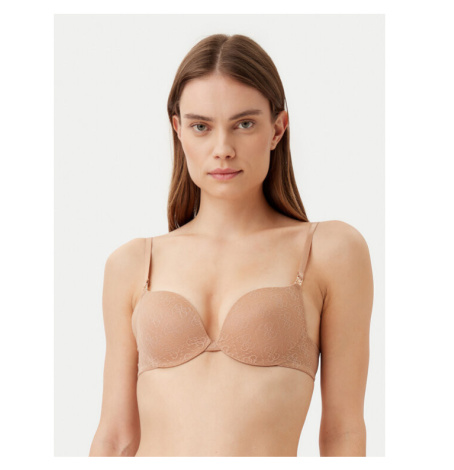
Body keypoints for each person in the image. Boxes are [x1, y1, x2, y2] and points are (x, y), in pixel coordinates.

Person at [89, 33, 374, 457]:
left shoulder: (330, 251)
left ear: (277, 128)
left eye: (244, 124)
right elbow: (115, 438)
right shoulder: (132, 263)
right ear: (178, 129)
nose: (222, 149)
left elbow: (343, 432)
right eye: (201, 127)